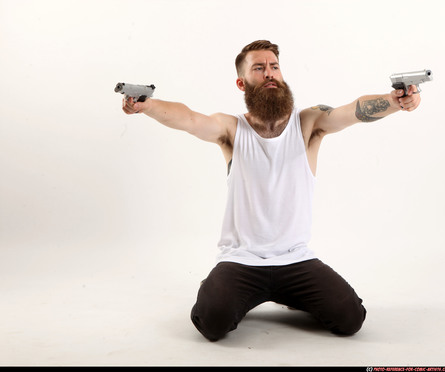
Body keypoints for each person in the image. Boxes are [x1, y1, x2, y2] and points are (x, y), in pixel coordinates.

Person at [122, 40, 421, 341]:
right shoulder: (231, 129)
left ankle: (290, 296)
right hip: (242, 261)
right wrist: (146, 105)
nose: (269, 74)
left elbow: (353, 111)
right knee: (212, 323)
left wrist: (396, 100)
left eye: (274, 67)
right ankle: (216, 285)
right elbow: (187, 118)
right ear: (242, 83)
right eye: (259, 68)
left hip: (296, 260)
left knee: (351, 320)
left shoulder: (309, 123)